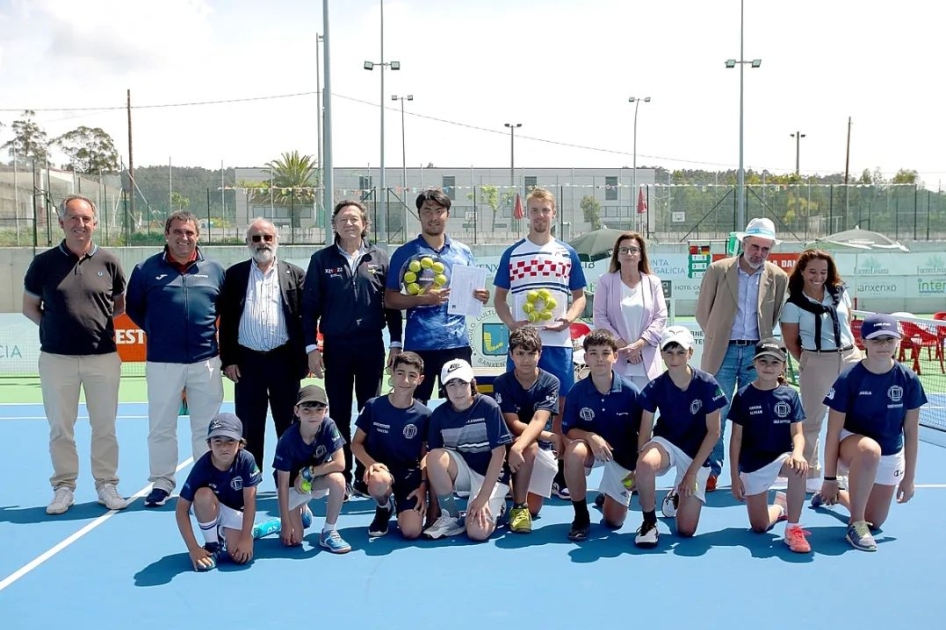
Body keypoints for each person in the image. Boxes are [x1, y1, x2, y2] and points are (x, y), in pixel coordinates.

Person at [22, 195, 128, 514]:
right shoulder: (43, 263)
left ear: (94, 223)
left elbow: (119, 305)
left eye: (85, 219)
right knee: (60, 427)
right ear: (61, 223)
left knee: (105, 425)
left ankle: (106, 484)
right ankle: (64, 487)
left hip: (103, 357)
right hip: (56, 360)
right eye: (73, 218)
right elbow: (30, 308)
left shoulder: (109, 261)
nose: (80, 225)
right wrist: (56, 328)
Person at [126, 211, 226, 508]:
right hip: (162, 362)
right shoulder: (145, 270)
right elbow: (135, 309)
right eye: (178, 232)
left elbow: (222, 310)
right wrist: (160, 332)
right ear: (167, 235)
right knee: (161, 425)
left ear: (198, 236)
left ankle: (203, 481)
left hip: (206, 361)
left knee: (206, 427)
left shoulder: (215, 270)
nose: (184, 238)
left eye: (190, 233)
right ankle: (162, 482)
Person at [304, 200, 403, 497]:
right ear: (333, 224)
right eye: (343, 219)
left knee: (369, 412)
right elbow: (309, 310)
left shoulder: (381, 258)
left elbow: (393, 306)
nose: (349, 223)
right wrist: (312, 348)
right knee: (339, 414)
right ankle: (342, 475)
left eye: (354, 219)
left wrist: (395, 343)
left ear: (365, 224)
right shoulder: (321, 260)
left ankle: (366, 476)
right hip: (336, 347)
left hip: (371, 345)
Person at [493, 187, 586, 500]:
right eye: (534, 210)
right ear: (527, 215)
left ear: (553, 214)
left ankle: (560, 474)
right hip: (522, 347)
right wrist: (510, 323)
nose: (540, 216)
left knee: (561, 408)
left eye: (545, 211)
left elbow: (580, 297)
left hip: (557, 345)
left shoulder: (566, 253)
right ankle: (511, 471)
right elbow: (499, 299)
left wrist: (568, 320)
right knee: (514, 408)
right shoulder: (513, 253)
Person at [813, 313, 927, 552]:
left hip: (891, 451)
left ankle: (836, 496)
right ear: (862, 342)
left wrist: (909, 478)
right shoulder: (848, 378)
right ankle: (855, 525)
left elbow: (911, 433)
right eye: (876, 340)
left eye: (889, 339)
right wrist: (830, 477)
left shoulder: (909, 380)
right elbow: (832, 432)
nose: (883, 345)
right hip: (853, 448)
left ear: (898, 340)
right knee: (870, 450)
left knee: (875, 521)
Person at [695, 217, 788, 491]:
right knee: (717, 414)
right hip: (721, 353)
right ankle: (712, 469)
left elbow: (773, 317)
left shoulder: (779, 277)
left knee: (754, 414)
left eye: (765, 249)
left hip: (758, 355)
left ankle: (751, 469)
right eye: (755, 246)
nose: (759, 253)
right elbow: (704, 313)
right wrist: (719, 337)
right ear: (743, 243)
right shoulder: (718, 270)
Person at [385, 188, 489, 404]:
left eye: (439, 211)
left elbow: (474, 294)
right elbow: (390, 299)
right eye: (427, 211)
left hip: (456, 343)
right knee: (414, 406)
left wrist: (481, 296)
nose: (433, 217)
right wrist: (422, 299)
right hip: (419, 344)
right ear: (419, 214)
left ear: (447, 214)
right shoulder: (404, 253)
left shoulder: (463, 252)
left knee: (460, 405)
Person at [219, 218, 307, 472]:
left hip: (284, 361)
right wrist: (229, 360)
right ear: (247, 242)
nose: (262, 243)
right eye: (256, 238)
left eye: (267, 237)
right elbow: (226, 322)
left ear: (276, 241)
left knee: (290, 422)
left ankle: (291, 474)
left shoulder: (295, 274)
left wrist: (304, 358)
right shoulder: (234, 275)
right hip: (248, 362)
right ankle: (249, 476)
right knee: (249, 424)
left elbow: (304, 320)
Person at [634, 326, 727, 548]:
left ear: (690, 353)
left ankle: (676, 494)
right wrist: (639, 465)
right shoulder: (655, 386)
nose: (674, 358)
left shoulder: (708, 384)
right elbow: (645, 431)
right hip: (666, 443)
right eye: (669, 352)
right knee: (646, 463)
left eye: (680, 352)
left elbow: (714, 432)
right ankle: (649, 523)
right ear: (662, 354)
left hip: (697, 453)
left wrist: (691, 473)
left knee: (686, 530)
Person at [780, 249, 860, 493]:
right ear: (802, 272)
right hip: (817, 362)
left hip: (850, 359)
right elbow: (791, 340)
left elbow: (846, 325)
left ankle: (845, 472)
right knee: (812, 420)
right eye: (812, 271)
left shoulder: (840, 293)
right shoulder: (793, 304)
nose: (818, 276)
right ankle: (810, 474)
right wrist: (810, 360)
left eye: (823, 272)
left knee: (853, 419)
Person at [729, 339, 811, 553]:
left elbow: (798, 433)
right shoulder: (743, 395)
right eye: (763, 361)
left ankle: (793, 528)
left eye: (775, 362)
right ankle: (779, 506)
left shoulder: (791, 395)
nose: (768, 366)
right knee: (759, 527)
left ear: (783, 366)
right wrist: (734, 477)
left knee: (798, 467)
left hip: (781, 458)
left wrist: (798, 453)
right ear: (754, 364)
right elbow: (736, 438)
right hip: (753, 464)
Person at [561, 329, 641, 542]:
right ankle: (580, 515)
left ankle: (608, 496)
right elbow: (569, 429)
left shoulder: (630, 392)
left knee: (613, 522)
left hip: (624, 457)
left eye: (605, 353)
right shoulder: (577, 392)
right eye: (593, 353)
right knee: (574, 451)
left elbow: (643, 434)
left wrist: (637, 469)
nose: (599, 359)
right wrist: (590, 436)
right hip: (593, 451)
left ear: (615, 356)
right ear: (585, 357)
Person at [423, 359, 513, 541]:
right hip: (462, 473)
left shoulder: (488, 406)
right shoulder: (439, 415)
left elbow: (499, 453)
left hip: (490, 476)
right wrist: (434, 506)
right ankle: (451, 516)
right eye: (451, 384)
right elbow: (434, 460)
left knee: (477, 532)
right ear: (444, 388)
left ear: (472, 383)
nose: (457, 391)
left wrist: (483, 497)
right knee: (434, 456)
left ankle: (499, 504)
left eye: (462, 383)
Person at [175, 413, 275, 571]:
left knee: (238, 556)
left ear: (240, 444)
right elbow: (181, 509)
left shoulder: (246, 460)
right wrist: (193, 549)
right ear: (209, 444)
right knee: (202, 495)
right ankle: (212, 545)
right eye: (218, 441)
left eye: (230, 441)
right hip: (211, 508)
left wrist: (245, 538)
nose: (224, 447)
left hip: (236, 513)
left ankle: (254, 531)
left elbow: (250, 502)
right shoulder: (202, 467)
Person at [351, 351, 432, 539]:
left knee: (411, 532)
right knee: (379, 482)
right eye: (400, 373)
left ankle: (402, 509)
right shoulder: (374, 406)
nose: (405, 380)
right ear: (392, 374)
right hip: (382, 472)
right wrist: (370, 464)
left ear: (420, 379)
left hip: (409, 476)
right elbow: (356, 444)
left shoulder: (425, 415)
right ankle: (383, 508)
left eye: (412, 375)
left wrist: (423, 486)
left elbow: (425, 456)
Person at [492, 327, 561, 533]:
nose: (526, 359)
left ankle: (512, 489)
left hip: (538, 446)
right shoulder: (502, 382)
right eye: (520, 353)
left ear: (540, 354)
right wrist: (520, 446)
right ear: (511, 355)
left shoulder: (551, 382)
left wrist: (525, 443)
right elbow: (512, 423)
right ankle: (518, 507)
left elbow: (539, 420)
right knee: (528, 447)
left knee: (535, 509)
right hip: (510, 443)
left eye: (531, 353)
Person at [273, 385, 351, 554]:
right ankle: (275, 523)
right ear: (297, 411)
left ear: (326, 411)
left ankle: (329, 531)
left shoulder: (329, 426)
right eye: (306, 409)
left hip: (311, 480)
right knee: (294, 539)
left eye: (319, 409)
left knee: (338, 479)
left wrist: (308, 473)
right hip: (292, 487)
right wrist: (285, 523)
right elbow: (282, 484)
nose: (313, 415)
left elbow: (340, 464)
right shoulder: (287, 440)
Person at [592, 231, 668, 390]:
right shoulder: (605, 281)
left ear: (641, 255)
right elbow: (599, 317)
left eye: (634, 249)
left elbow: (660, 317)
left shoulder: (653, 282)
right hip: (617, 360)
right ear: (617, 255)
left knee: (646, 412)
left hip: (646, 361)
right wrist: (622, 345)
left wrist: (639, 345)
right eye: (623, 250)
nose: (629, 253)